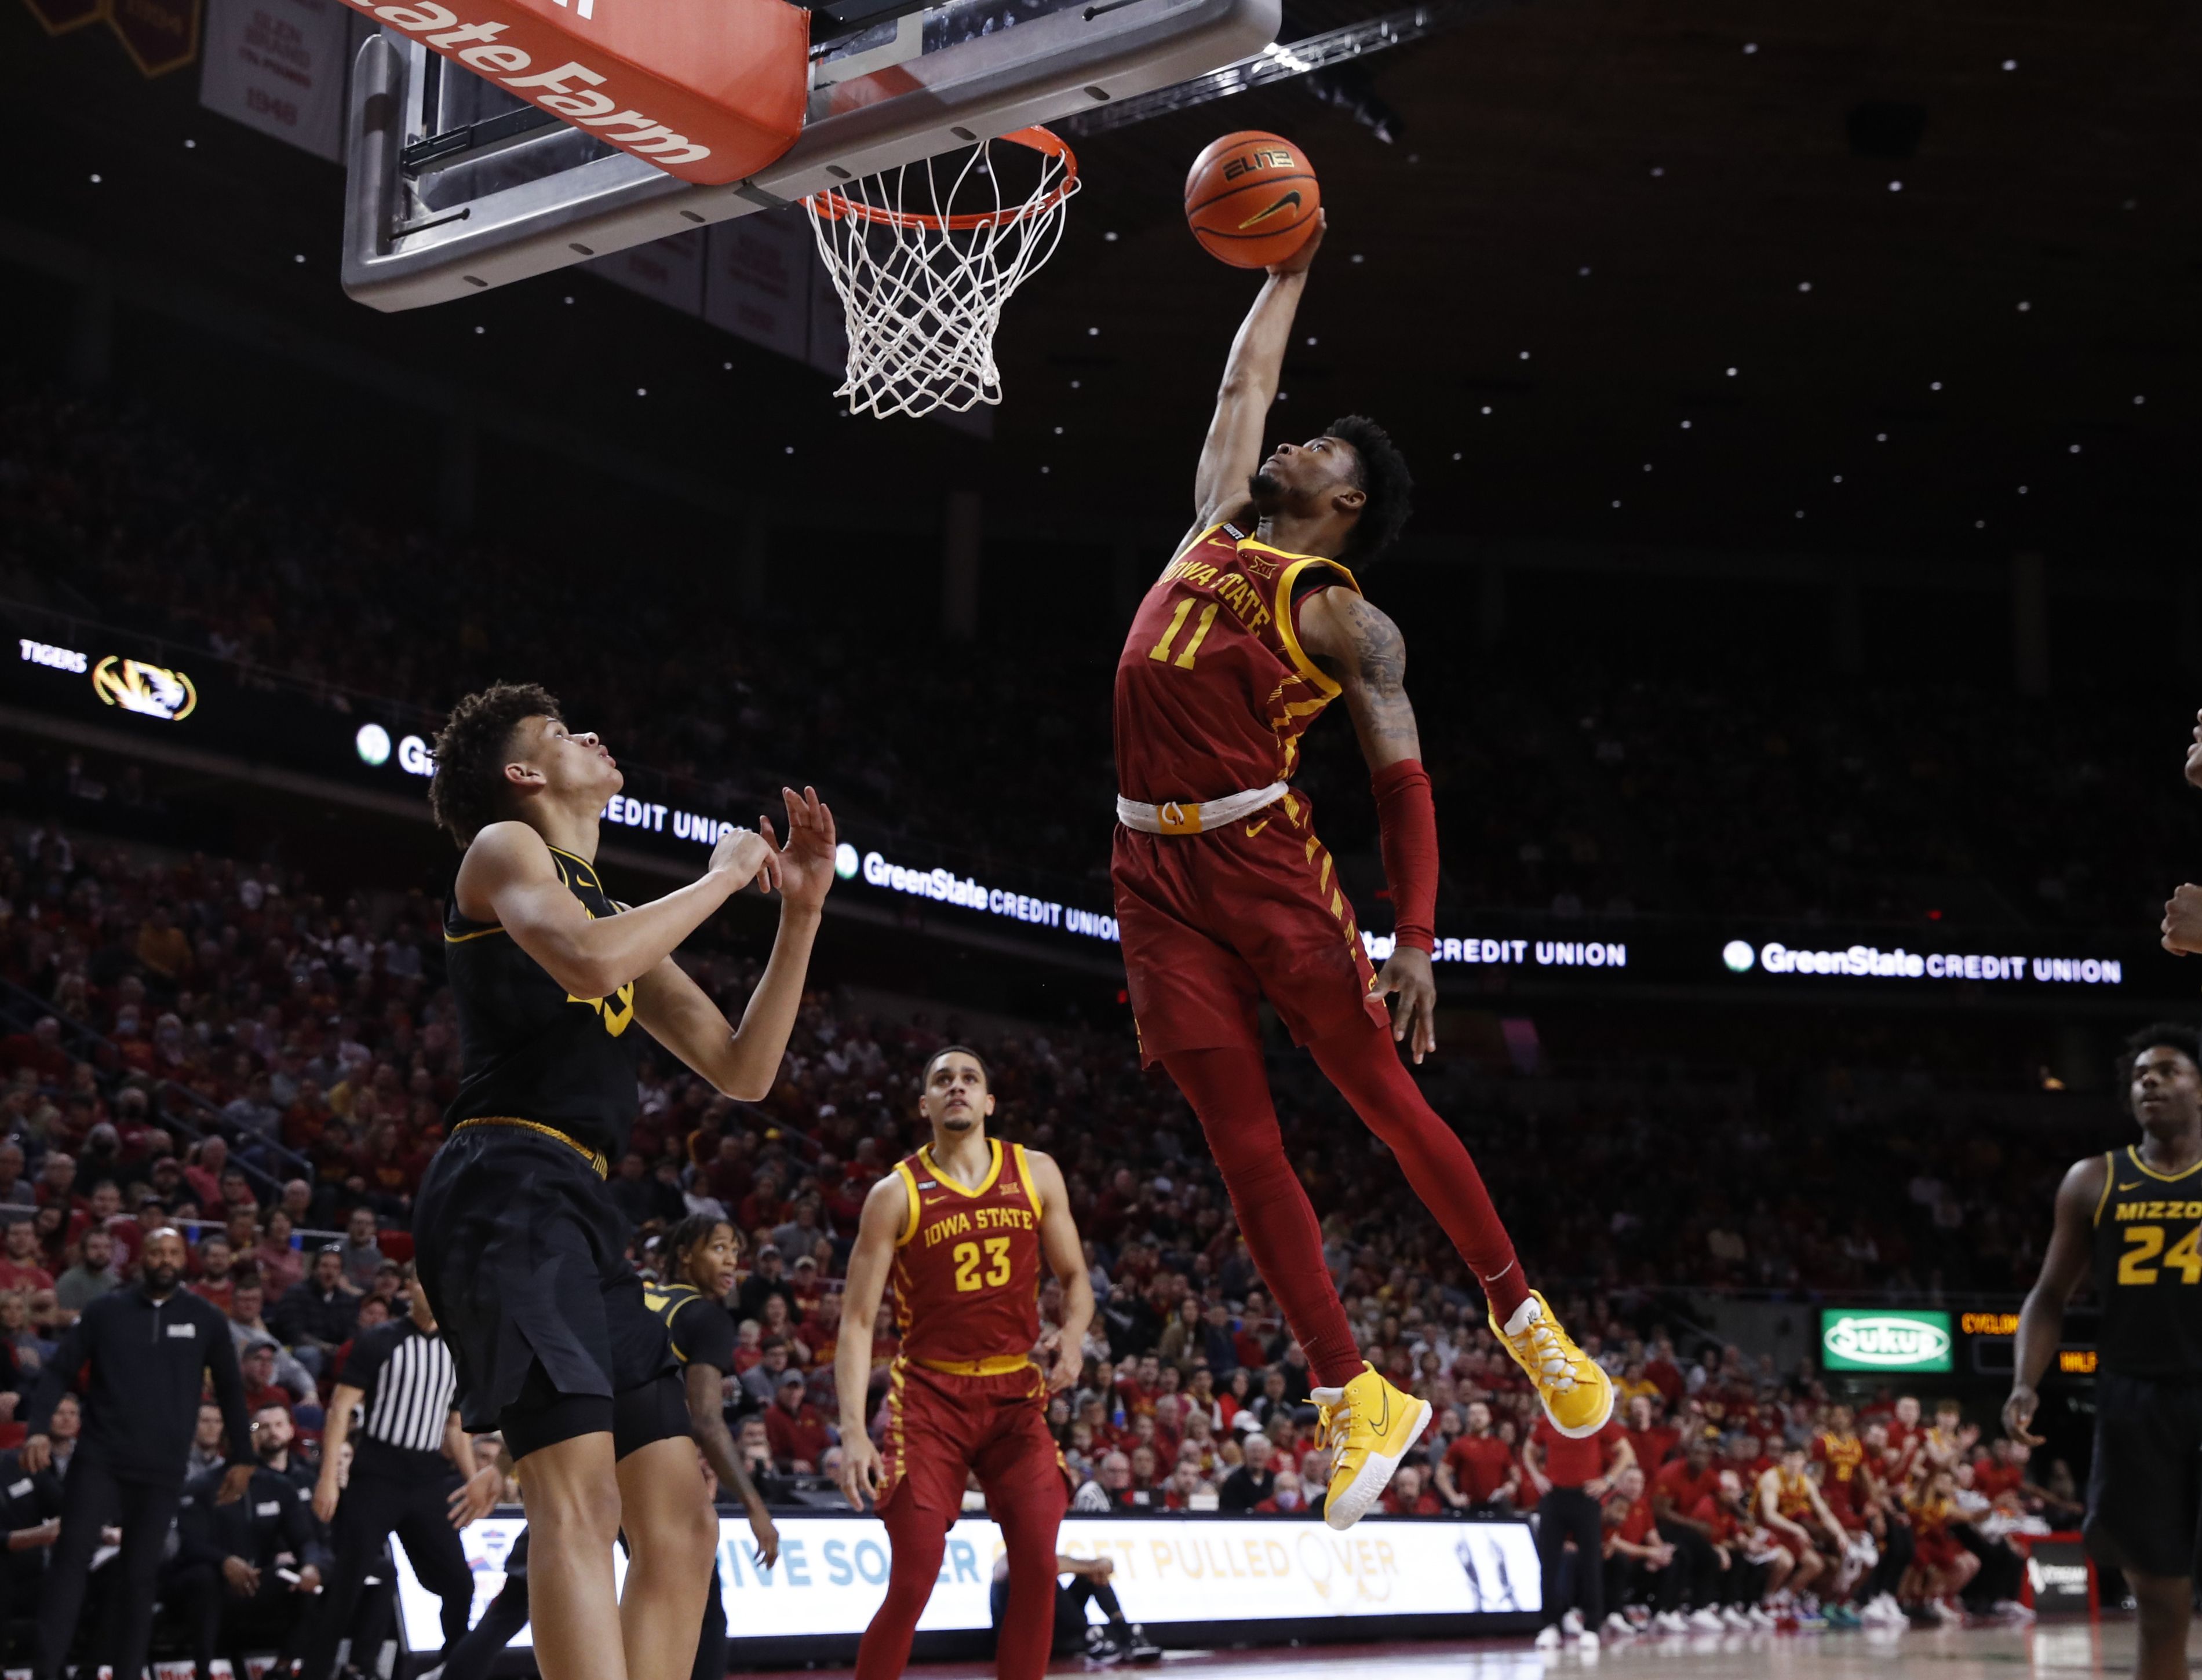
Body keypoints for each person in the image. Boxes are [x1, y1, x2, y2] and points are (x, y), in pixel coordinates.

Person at [1106, 213, 1609, 1530]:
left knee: (1382, 1100)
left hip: (1263, 864)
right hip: (1147, 873)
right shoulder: (1210, 524)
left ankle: (1524, 1320)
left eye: (1320, 448)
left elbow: (1399, 783)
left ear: (1345, 504)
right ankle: (1353, 1397)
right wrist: (1289, 269)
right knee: (1235, 1138)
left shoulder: (1340, 612)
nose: (1291, 440)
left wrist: (1417, 939)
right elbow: (1238, 386)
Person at [414, 682, 835, 1680]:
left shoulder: (607, 910)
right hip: (503, 1185)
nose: (593, 734)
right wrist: (726, 877)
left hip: (580, 1205)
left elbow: (744, 1069)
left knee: (681, 1521)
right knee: (581, 1500)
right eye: (561, 734)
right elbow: (588, 966)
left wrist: (801, 913)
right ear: (524, 774)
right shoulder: (505, 848)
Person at [836, 1047, 1094, 1680]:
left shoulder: (1035, 1171)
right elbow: (856, 1322)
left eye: (969, 1078)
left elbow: (1074, 1275)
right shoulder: (892, 1193)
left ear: (988, 1102)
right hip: (928, 1397)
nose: (957, 1086)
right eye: (942, 1080)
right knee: (916, 1573)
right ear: (923, 1104)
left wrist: (1075, 1332)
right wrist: (851, 1431)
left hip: (1013, 1395)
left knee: (1037, 1562)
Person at [2007, 1022, 2202, 1680]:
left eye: (2168, 1069)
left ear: (2199, 1089)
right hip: (2134, 1399)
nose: (2149, 1079)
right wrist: (2023, 1381)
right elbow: (2047, 1294)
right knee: (2158, 1599)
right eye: (2140, 1072)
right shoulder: (2094, 1179)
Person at [19, 1226, 254, 1680]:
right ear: (140, 1259)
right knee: (71, 1562)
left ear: (183, 1260)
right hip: (101, 1458)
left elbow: (230, 1390)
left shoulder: (206, 1317)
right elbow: (58, 1371)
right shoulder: (106, 1310)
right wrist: (37, 1430)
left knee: (140, 1578)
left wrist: (243, 1456)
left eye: (172, 1252)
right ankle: (45, 1673)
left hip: (162, 1466)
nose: (164, 1259)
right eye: (156, 1251)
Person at [296, 1274, 501, 1680]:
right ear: (409, 1290)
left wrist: (473, 1476)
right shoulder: (380, 1340)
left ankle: (452, 1669)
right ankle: (317, 1671)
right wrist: (326, 1477)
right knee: (347, 1585)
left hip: (427, 1478)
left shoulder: (457, 1349)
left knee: (459, 1584)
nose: (430, 1289)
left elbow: (455, 1425)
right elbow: (340, 1409)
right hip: (376, 1472)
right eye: (421, 1282)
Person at [641, 1214, 784, 1680]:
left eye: (735, 1253)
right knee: (704, 1612)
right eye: (718, 1248)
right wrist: (754, 1505)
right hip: (652, 1472)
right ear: (684, 1254)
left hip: (594, 1458)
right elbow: (707, 1421)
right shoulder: (706, 1317)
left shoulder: (634, 1298)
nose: (731, 1262)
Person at [166, 1400, 329, 1680]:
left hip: (259, 1577)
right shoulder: (202, 1486)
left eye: (250, 1438)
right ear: (224, 1444)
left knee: (314, 1581)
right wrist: (225, 1562)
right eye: (236, 1438)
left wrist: (310, 1566)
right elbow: (189, 1543)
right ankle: (203, 1671)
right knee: (203, 1577)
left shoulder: (279, 1487)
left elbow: (305, 1540)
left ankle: (284, 1667)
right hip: (212, 1578)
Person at [1524, 1411, 1631, 1650]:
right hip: (1554, 1496)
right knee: (1549, 1563)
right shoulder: (1548, 1420)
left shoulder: (1596, 1419)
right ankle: (1550, 1625)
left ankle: (1592, 1626)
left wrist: (1608, 1481)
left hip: (1586, 1496)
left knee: (1590, 1563)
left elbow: (1626, 1453)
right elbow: (1528, 1450)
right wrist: (1536, 1476)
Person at [988, 1551, 1158, 1666]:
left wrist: (1096, 1567)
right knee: (1046, 1579)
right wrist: (1096, 1565)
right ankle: (1090, 1636)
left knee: (1090, 1576)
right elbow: (1043, 1566)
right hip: (1020, 1641)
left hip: (1053, 1632)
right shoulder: (1007, 1561)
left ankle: (1127, 1634)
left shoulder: (1041, 1553)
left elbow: (1052, 1562)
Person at [0, 1440, 63, 1667]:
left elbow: (65, 1506)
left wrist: (103, 1530)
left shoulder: (18, 1463)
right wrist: (40, 1535)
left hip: (35, 1574)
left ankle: (94, 1666)